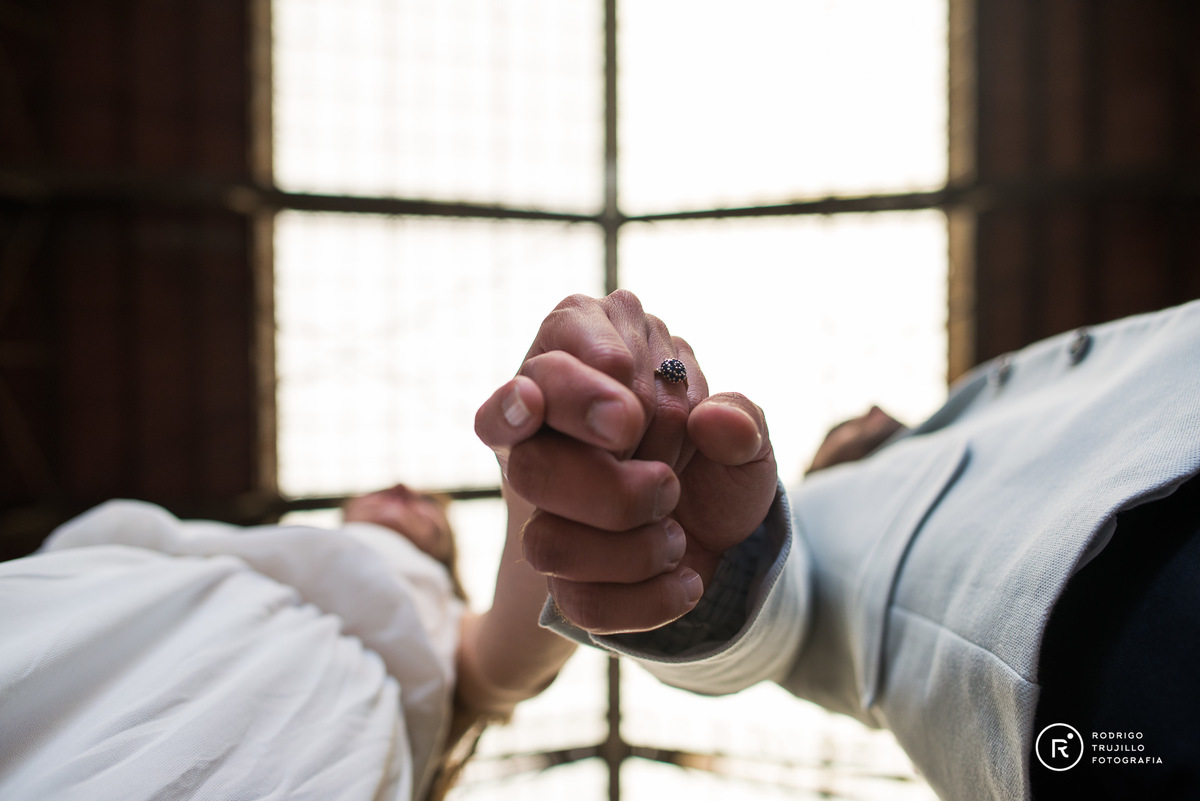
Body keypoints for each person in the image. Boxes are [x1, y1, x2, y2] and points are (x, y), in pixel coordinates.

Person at [474, 290, 1200, 800]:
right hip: (1125, 639)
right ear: (820, 468)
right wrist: (706, 570)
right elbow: (779, 618)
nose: (878, 411)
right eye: (851, 424)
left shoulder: (1013, 397)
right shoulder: (816, 521)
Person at [0, 481, 573, 801]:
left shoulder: (446, 614)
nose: (403, 488)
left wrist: (553, 486)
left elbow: (520, 651)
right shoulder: (242, 545)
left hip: (299, 708)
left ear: (444, 557)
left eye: (431, 511)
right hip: (117, 603)